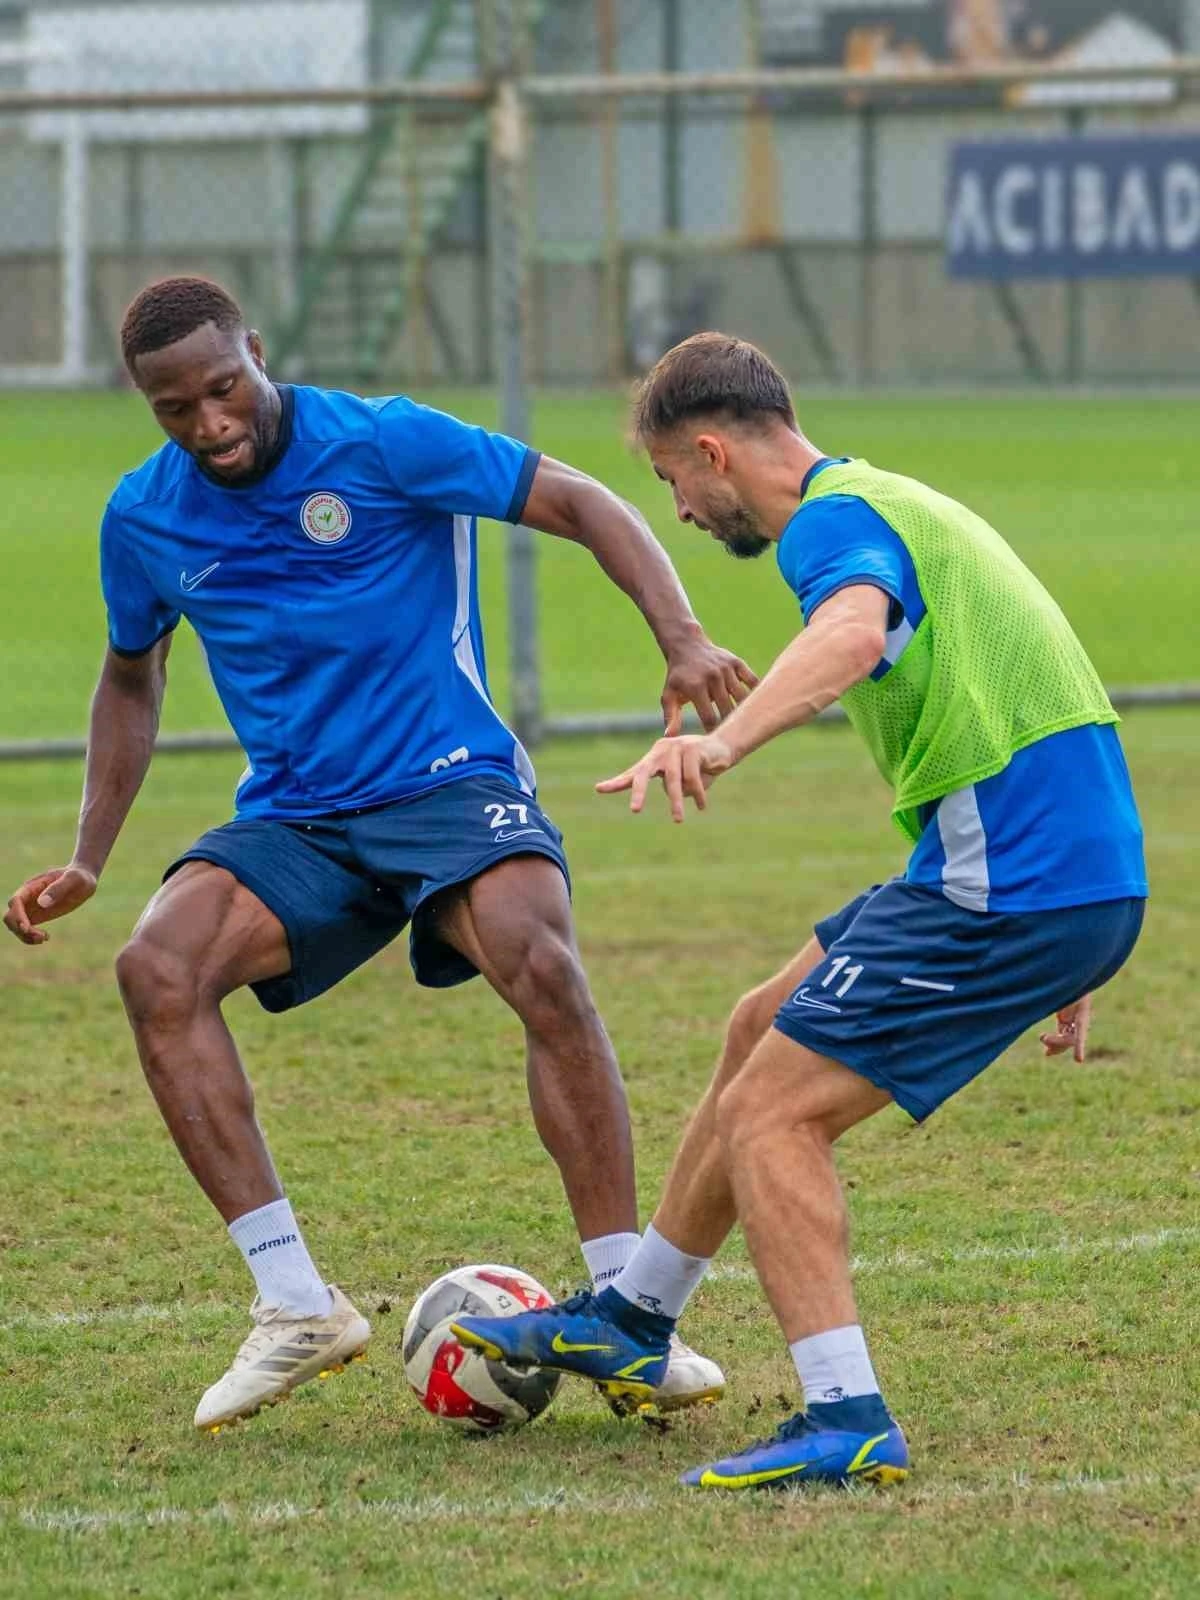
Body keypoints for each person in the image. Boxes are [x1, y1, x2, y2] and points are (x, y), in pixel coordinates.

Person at [2, 282, 756, 1434]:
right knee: (157, 967)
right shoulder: (145, 517)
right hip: (300, 815)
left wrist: (683, 634)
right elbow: (130, 674)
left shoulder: (384, 441)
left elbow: (583, 499)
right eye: (175, 409)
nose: (210, 422)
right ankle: (295, 1304)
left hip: (449, 779)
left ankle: (623, 1310)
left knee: (538, 957)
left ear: (258, 352)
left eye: (224, 389)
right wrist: (90, 855)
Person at [452, 332, 1148, 1490]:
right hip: (1039, 873)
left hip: (1019, 883)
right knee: (755, 1024)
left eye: (672, 480)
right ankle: (633, 1317)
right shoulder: (894, 499)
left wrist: (722, 742)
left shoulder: (829, 526)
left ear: (713, 452)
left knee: (773, 1113)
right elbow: (1040, 685)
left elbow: (852, 634)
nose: (679, 511)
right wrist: (1083, 934)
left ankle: (847, 1414)